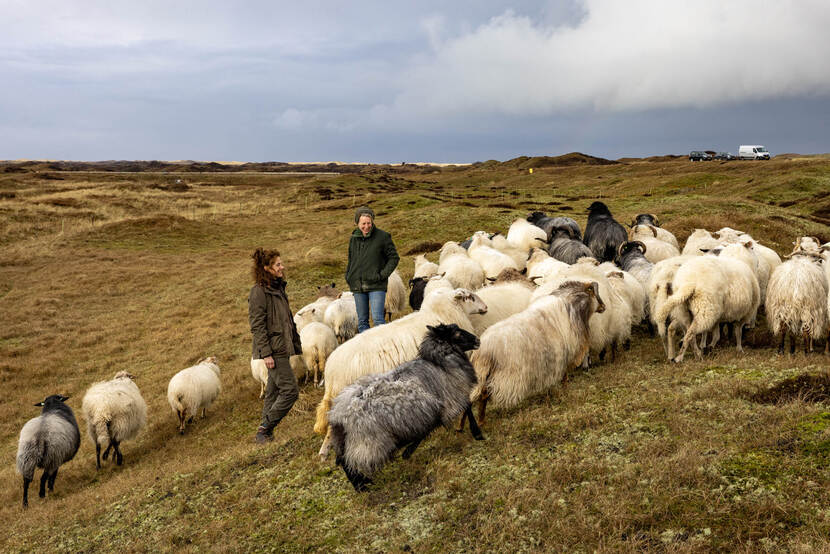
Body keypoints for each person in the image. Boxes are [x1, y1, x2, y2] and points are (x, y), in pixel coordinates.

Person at [248, 248, 302, 444]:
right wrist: (266, 353)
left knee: (272, 391)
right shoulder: (259, 292)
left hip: (282, 346)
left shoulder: (277, 288)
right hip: (274, 350)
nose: (282, 267)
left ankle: (264, 434)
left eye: (281, 263)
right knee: (290, 391)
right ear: (267, 269)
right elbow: (257, 325)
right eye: (278, 264)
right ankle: (266, 427)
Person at [345, 206, 400, 333]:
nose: (366, 226)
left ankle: (384, 347)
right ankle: (368, 350)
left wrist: (382, 275)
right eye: (363, 223)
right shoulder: (354, 238)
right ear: (357, 223)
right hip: (357, 285)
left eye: (368, 223)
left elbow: (394, 258)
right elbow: (351, 259)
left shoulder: (383, 237)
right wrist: (349, 276)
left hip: (376, 285)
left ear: (372, 221)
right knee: (362, 321)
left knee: (378, 319)